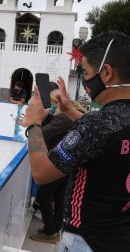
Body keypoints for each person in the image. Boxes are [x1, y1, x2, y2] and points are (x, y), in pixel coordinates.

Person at [24, 31, 130, 252]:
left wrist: (33, 124)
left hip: (86, 240)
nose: (85, 80)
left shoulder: (96, 125)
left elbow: (41, 172)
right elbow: (110, 134)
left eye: (86, 73)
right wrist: (69, 110)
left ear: (106, 72)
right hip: (128, 239)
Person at [28, 95, 88, 244]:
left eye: (54, 103)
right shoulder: (75, 119)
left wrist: (35, 123)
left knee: (43, 195)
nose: (52, 107)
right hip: (68, 163)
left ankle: (50, 231)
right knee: (60, 196)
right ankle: (54, 230)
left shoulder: (64, 118)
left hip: (58, 162)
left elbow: (45, 133)